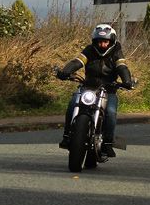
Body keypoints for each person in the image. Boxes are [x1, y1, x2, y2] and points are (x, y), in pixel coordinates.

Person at [56, 23, 135, 157]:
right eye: (100, 41)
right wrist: (65, 72)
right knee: (72, 104)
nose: (103, 44)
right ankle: (67, 136)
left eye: (106, 41)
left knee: (110, 112)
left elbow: (122, 67)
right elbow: (77, 62)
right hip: (88, 87)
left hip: (108, 89)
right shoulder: (89, 50)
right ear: (94, 41)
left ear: (111, 41)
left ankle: (108, 143)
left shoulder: (116, 52)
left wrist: (127, 81)